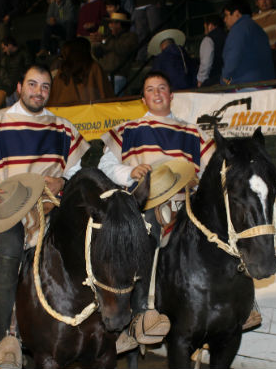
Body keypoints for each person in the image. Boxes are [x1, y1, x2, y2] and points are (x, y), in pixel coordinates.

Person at [0, 64, 89, 368]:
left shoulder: (62, 127)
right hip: (6, 208)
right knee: (8, 248)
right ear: (20, 87)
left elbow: (75, 172)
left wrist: (65, 182)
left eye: (44, 87)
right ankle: (7, 339)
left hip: (50, 207)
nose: (38, 92)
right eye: (33, 85)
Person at [98, 71, 215, 353]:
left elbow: (212, 167)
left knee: (218, 231)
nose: (157, 93)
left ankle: (234, 309)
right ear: (144, 99)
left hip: (185, 201)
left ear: (171, 95)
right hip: (145, 202)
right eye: (151, 89)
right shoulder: (129, 130)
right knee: (147, 229)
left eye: (162, 88)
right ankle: (139, 315)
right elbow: (105, 165)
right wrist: (130, 171)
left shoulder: (192, 131)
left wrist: (200, 180)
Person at [221, 0, 275, 87]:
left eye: (226, 15)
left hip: (246, 85)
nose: (225, 20)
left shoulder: (238, 29)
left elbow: (233, 57)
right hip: (266, 83)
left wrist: (224, 79)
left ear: (237, 14)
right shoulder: (258, 29)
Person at [48, 37, 114, 106]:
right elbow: (106, 95)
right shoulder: (94, 67)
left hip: (65, 113)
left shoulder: (63, 69)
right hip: (92, 112)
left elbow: (54, 99)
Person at [94, 12, 138, 95]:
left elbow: (122, 49)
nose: (110, 25)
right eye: (110, 23)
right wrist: (96, 43)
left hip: (119, 75)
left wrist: (104, 41)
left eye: (113, 23)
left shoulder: (131, 37)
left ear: (120, 25)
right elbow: (98, 54)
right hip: (104, 75)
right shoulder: (109, 37)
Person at [0, 36, 32, 106]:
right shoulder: (5, 58)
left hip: (20, 86)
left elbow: (28, 69)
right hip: (10, 88)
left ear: (10, 45)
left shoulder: (24, 54)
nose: (4, 51)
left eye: (4, 48)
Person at [196, 14, 226, 87]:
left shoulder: (208, 39)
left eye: (205, 27)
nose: (205, 30)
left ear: (210, 26)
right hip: (227, 78)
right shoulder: (228, 36)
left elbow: (206, 62)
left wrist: (201, 80)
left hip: (214, 80)